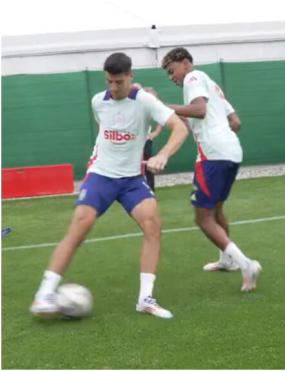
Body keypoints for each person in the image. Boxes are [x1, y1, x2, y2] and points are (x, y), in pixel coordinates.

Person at [30, 52, 189, 319]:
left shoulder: (145, 101)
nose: (113, 88)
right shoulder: (97, 102)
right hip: (101, 174)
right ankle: (44, 294)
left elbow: (179, 128)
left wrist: (162, 155)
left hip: (131, 180)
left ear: (130, 76)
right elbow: (104, 129)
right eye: (109, 82)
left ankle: (145, 298)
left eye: (119, 82)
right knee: (81, 225)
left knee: (153, 225)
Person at [160, 47, 261, 291]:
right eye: (168, 75)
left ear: (185, 63)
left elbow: (200, 111)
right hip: (231, 152)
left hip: (212, 156)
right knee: (216, 209)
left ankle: (246, 264)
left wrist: (162, 107)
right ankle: (227, 261)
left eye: (172, 71)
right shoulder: (212, 85)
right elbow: (235, 122)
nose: (172, 77)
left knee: (203, 218)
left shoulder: (193, 79)